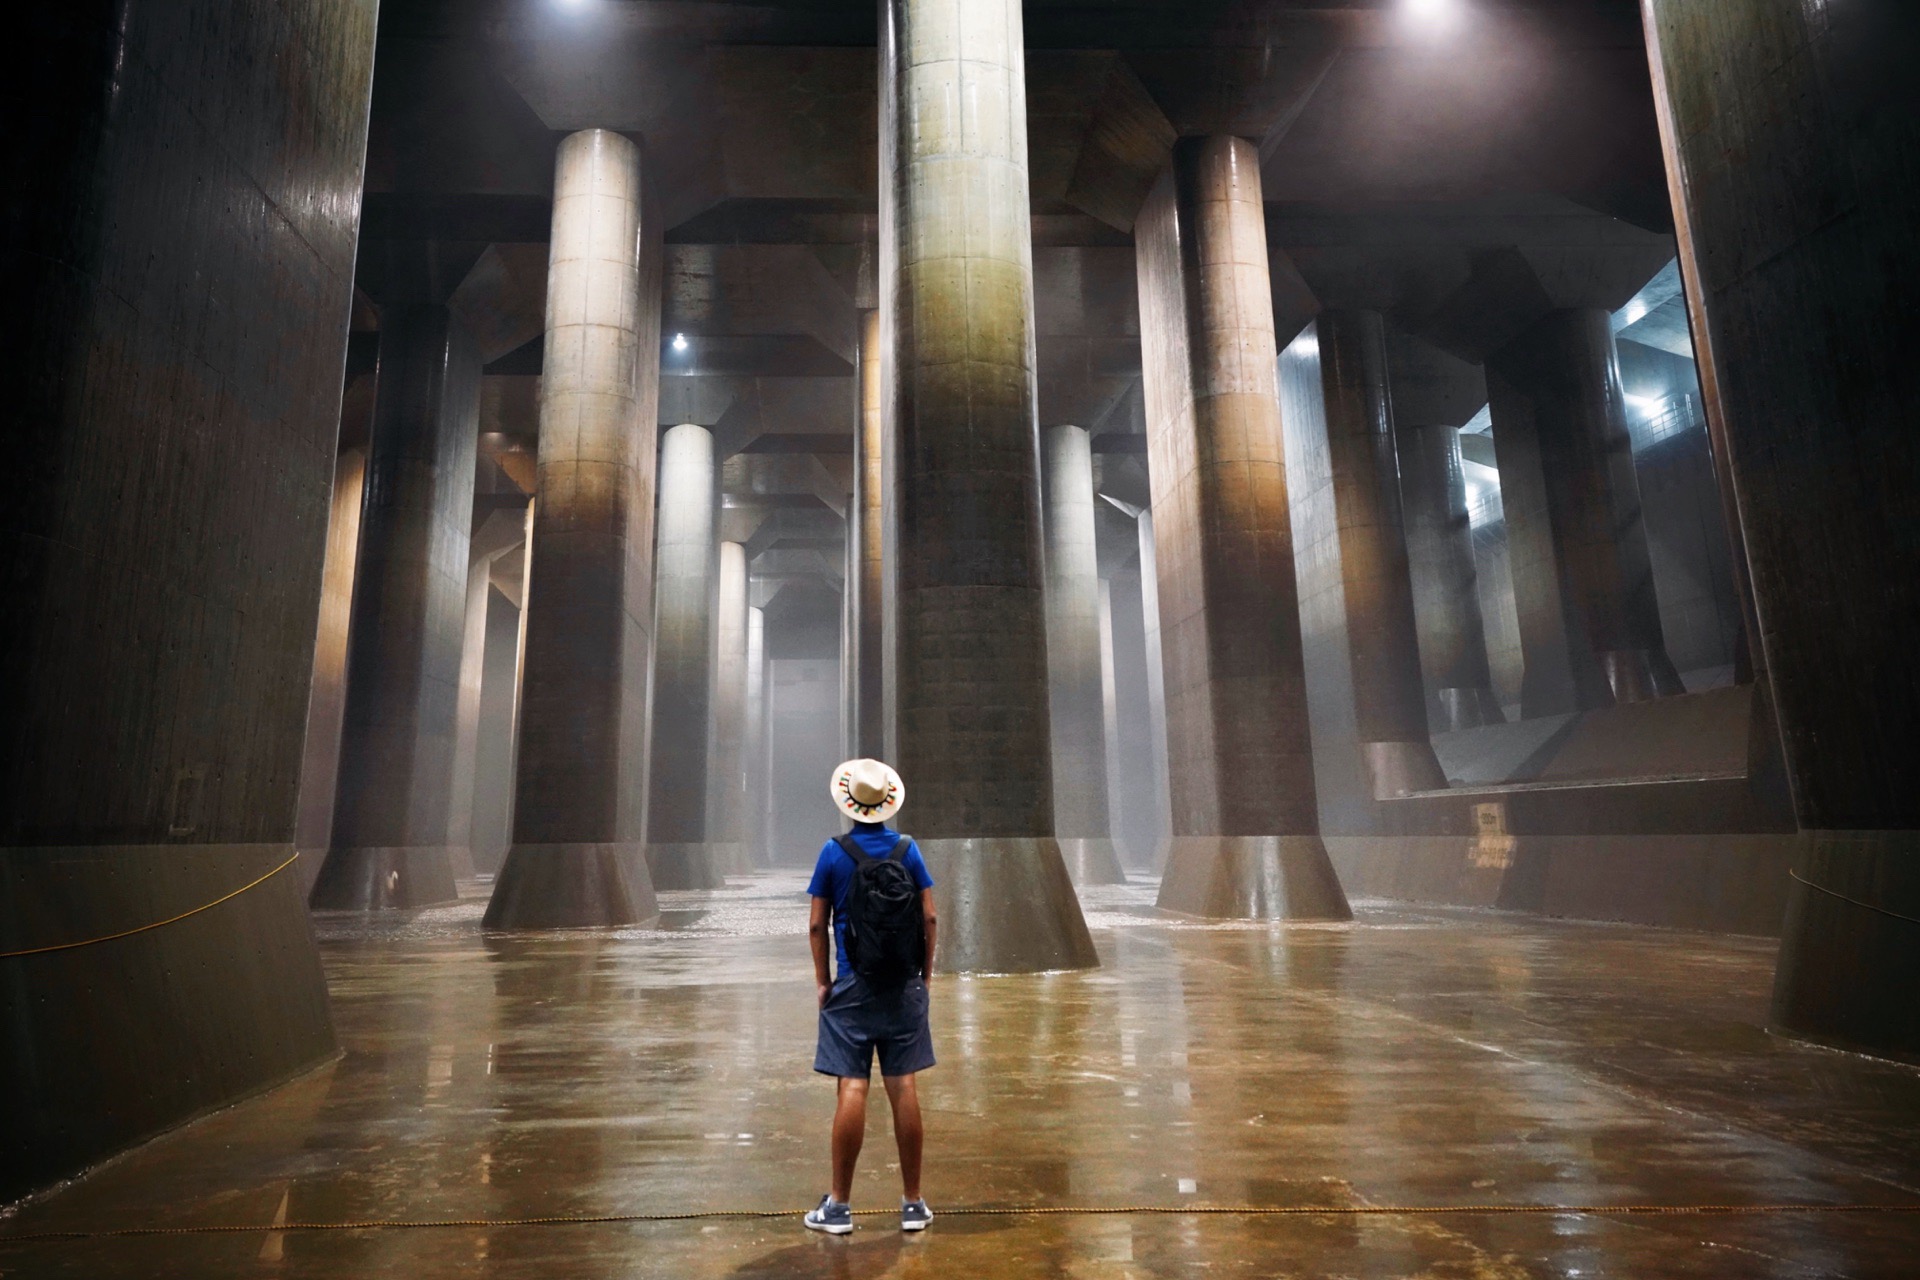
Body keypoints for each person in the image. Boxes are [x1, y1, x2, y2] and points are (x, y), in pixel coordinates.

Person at [803, 758, 938, 1235]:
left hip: (853, 987)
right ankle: (913, 1203)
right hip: (903, 986)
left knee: (853, 1086)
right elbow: (929, 918)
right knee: (903, 1086)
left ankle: (838, 1207)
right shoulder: (908, 849)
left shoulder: (833, 852)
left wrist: (824, 981)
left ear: (850, 805)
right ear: (885, 803)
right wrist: (924, 975)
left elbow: (818, 924)